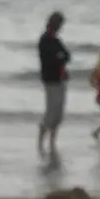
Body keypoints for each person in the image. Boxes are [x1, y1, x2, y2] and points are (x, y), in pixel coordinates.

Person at [37, 12, 71, 154]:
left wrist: (60, 58)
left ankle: (52, 140)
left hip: (60, 79)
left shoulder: (56, 40)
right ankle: (41, 137)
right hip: (50, 79)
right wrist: (59, 58)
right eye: (59, 24)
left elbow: (67, 55)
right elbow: (49, 59)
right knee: (51, 110)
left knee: (59, 112)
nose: (60, 27)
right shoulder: (45, 40)